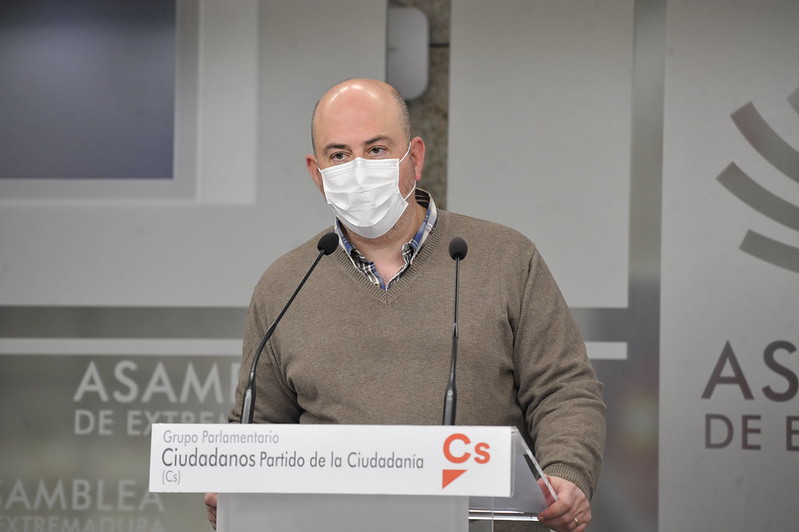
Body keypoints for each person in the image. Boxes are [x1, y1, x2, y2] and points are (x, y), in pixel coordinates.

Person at [204, 78, 605, 532]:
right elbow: (259, 427)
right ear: (316, 172)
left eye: (376, 149)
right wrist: (234, 490)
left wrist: (565, 473)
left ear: (414, 157)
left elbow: (564, 390)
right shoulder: (286, 284)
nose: (358, 169)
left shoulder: (505, 258)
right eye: (339, 155)